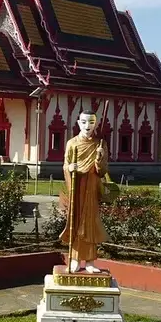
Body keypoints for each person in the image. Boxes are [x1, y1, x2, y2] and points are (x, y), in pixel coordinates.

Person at [59, 110, 109, 273]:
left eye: (92, 122)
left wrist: (100, 158)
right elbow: (66, 165)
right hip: (77, 186)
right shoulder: (72, 143)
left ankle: (89, 261)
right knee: (76, 221)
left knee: (90, 223)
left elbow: (101, 171)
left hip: (92, 186)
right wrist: (70, 168)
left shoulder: (99, 144)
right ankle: (74, 259)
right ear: (79, 123)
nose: (88, 126)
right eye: (85, 122)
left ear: (95, 124)